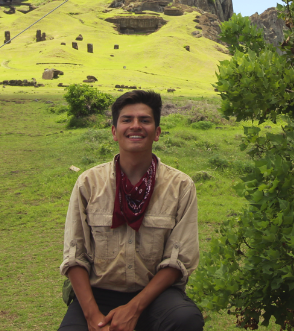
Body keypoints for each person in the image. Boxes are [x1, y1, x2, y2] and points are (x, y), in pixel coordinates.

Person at [59, 90, 204, 331]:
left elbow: (177, 262)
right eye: (127, 120)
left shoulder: (180, 186)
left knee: (185, 320)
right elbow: (75, 256)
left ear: (157, 133)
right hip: (99, 293)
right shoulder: (89, 183)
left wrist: (134, 308)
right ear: (114, 132)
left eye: (145, 120)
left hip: (156, 295)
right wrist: (93, 317)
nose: (135, 126)